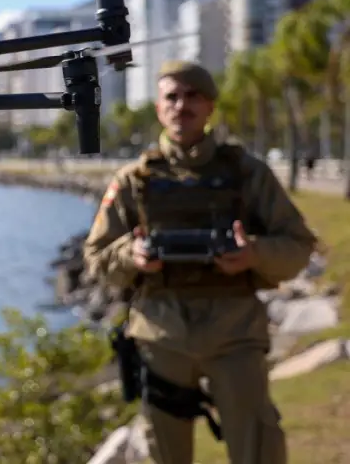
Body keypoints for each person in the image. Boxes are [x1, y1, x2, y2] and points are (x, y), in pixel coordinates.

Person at [83, 61, 318, 464]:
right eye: (172, 97)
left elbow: (298, 245)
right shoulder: (134, 180)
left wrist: (252, 253)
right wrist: (132, 256)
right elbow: (96, 257)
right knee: (165, 452)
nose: (181, 106)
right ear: (159, 107)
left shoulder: (248, 174)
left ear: (210, 105)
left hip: (234, 332)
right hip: (161, 336)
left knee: (259, 446)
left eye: (192, 96)